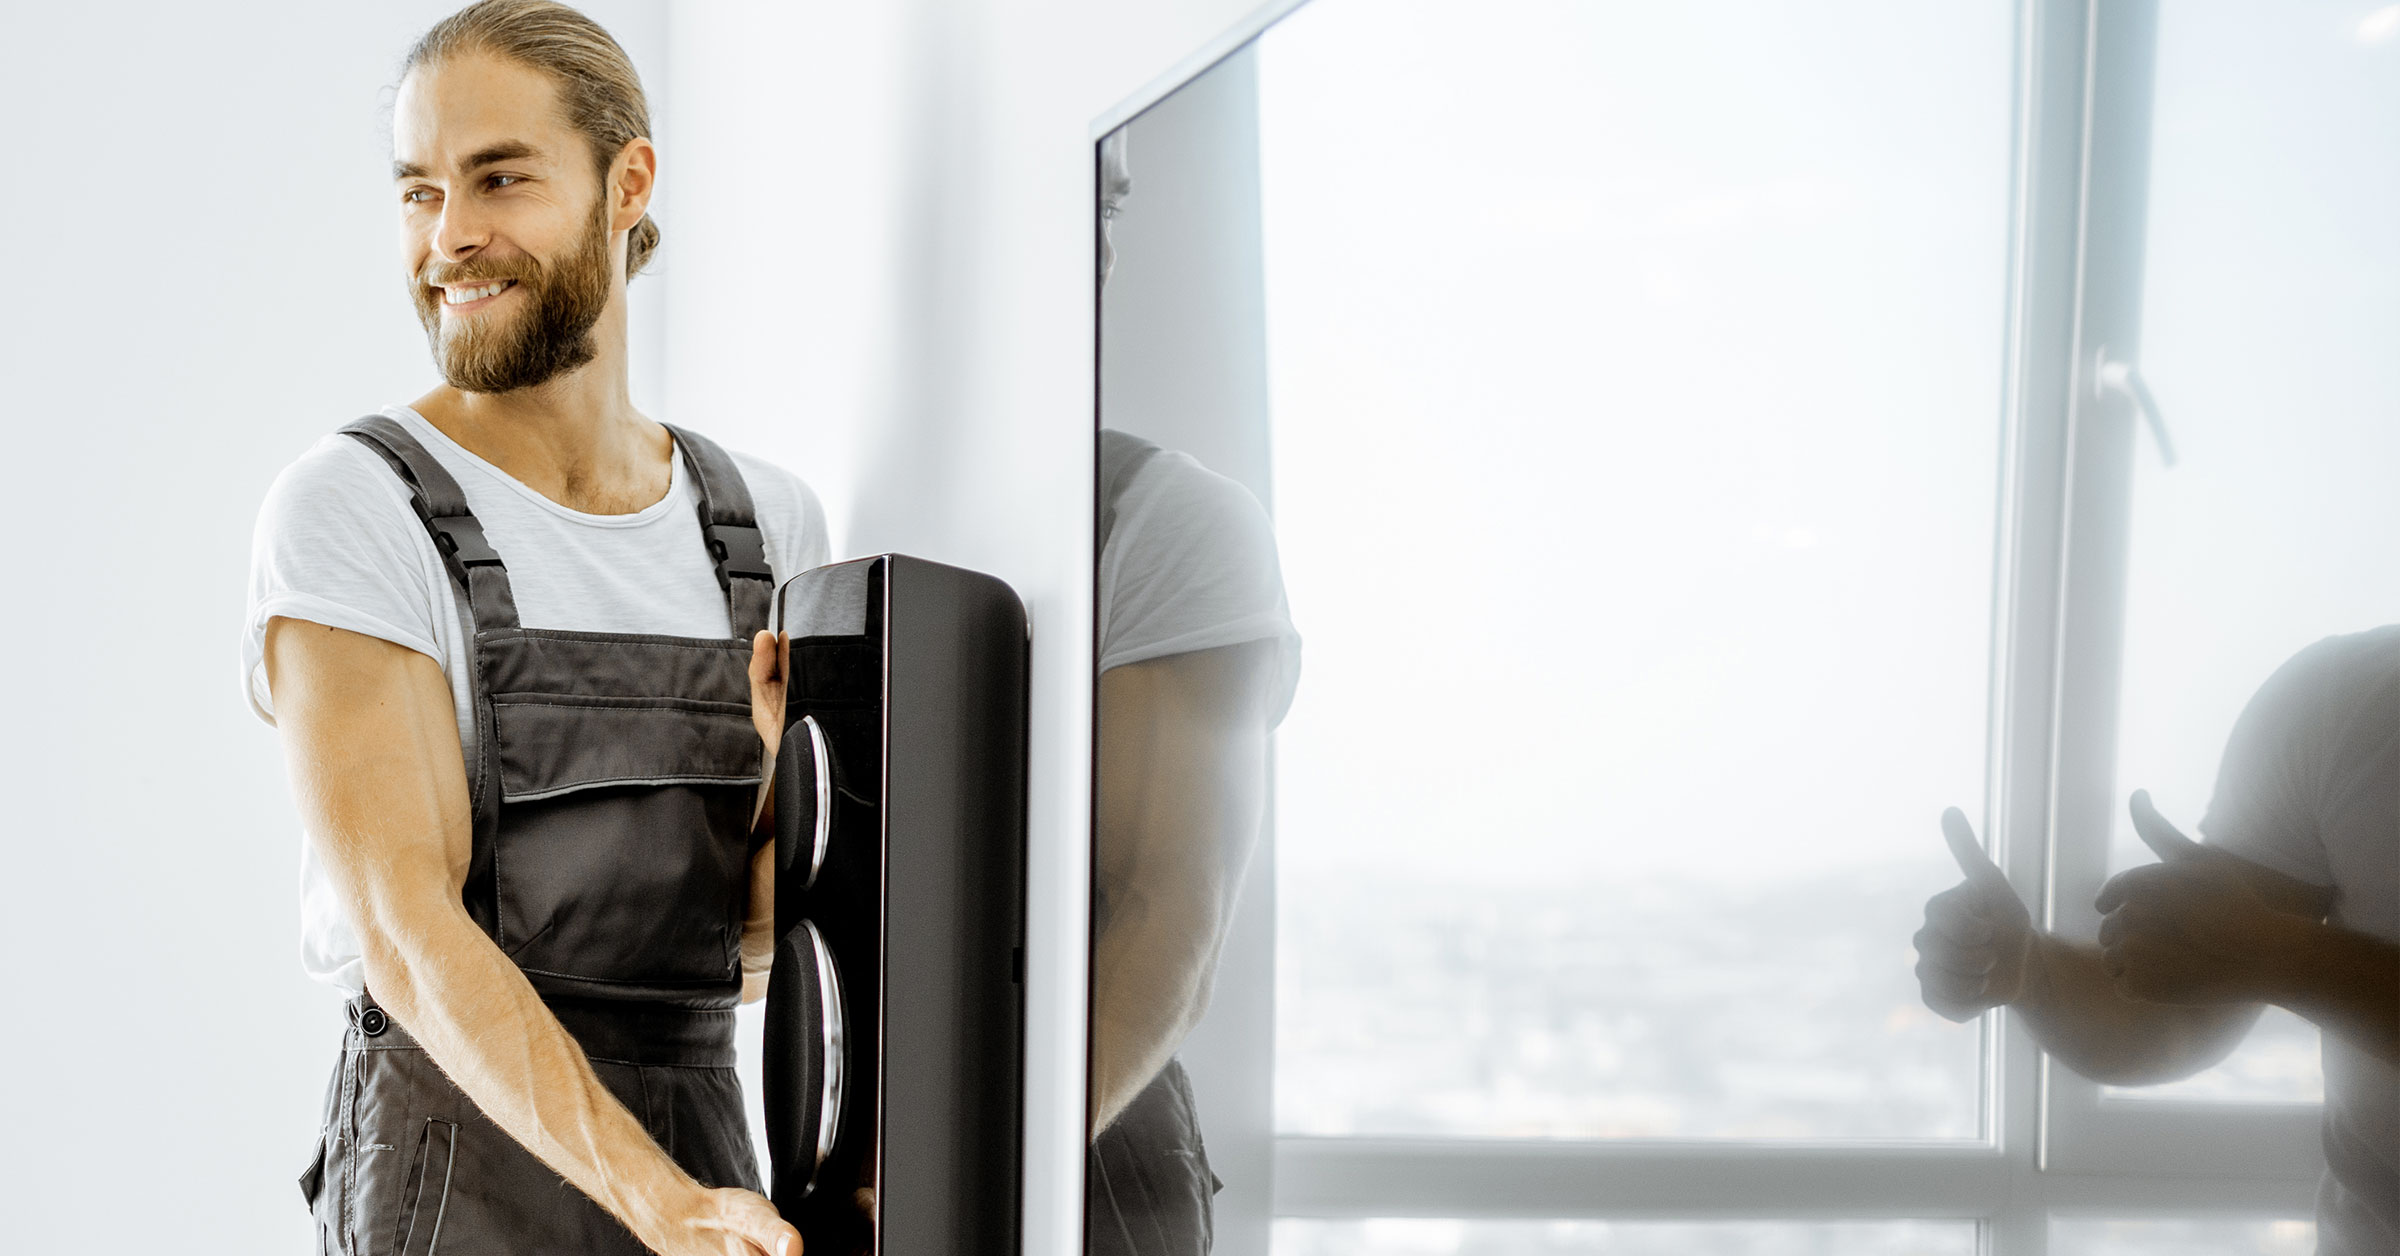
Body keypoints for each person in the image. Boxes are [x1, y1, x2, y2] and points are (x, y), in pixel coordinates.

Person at [242, 4, 821, 1252]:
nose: (451, 239)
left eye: (499, 177)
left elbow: (754, 940)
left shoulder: (768, 527)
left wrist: (783, 776)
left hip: (704, 1156)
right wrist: (652, 1196)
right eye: (418, 192)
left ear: (629, 183)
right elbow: (404, 926)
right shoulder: (353, 507)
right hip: (455, 1171)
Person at [1914, 626, 2399, 1254]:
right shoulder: (2342, 700)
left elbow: (2251, 955)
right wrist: (2028, 971)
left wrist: (2282, 957)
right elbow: (2182, 1018)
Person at [1086, 131, 1303, 1256]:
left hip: (1090, 1162)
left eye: (1113, 205)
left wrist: (980, 1179)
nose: (1098, 245)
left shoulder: (1172, 523)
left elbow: (1172, 919)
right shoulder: (864, 503)